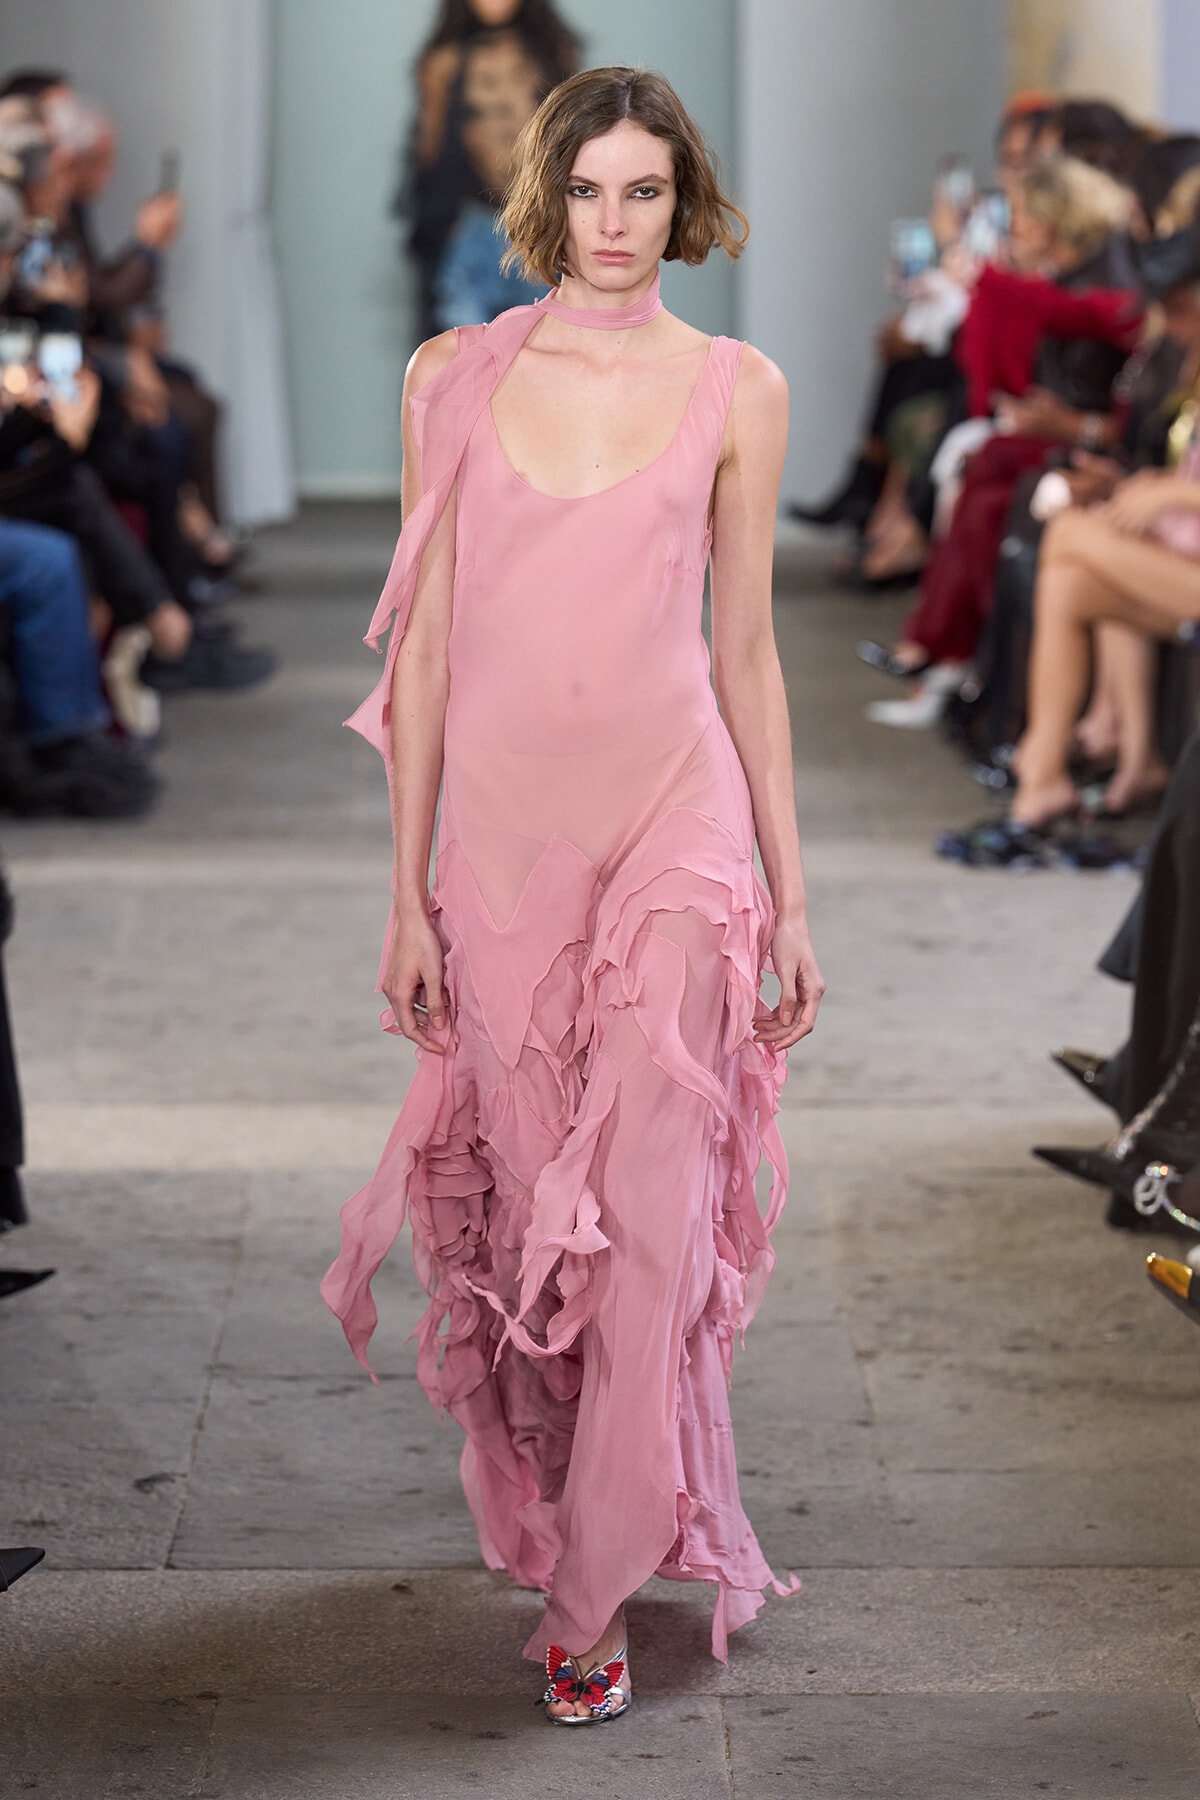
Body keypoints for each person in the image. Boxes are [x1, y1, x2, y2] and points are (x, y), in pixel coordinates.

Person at [324, 66, 824, 1721]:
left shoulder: (738, 385)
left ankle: (594, 1593)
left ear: (689, 204)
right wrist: (406, 899)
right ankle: (573, 1512)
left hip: (677, 823)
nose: (619, 227)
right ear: (554, 198)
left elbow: (744, 650)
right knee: (542, 1227)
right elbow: (428, 651)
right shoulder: (453, 379)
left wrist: (794, 898)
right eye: (594, 193)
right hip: (507, 845)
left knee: (657, 1223)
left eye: (650, 194)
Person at [402, 0, 579, 339]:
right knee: (464, 365)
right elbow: (429, 154)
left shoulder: (552, 54)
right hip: (471, 228)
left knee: (541, 359)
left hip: (538, 228)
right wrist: (441, 227)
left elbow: (572, 144)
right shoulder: (444, 62)